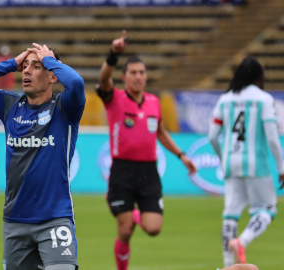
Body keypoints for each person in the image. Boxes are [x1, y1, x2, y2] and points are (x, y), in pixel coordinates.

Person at [0, 43, 85, 270]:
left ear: (53, 76)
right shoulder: (9, 104)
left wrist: (51, 61)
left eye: (36, 67)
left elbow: (75, 83)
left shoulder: (65, 107)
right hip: (15, 221)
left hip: (55, 218)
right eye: (25, 66)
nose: (26, 71)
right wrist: (10, 64)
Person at [96, 30, 197, 270]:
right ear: (124, 76)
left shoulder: (154, 102)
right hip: (122, 170)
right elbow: (103, 79)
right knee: (125, 230)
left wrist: (181, 155)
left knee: (153, 229)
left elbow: (160, 132)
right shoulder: (115, 98)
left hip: (148, 172)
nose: (138, 77)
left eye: (142, 73)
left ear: (147, 76)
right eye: (133, 73)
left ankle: (136, 214)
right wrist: (113, 54)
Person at [208, 56, 284, 267]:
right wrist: (281, 167)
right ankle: (242, 241)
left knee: (230, 214)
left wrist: (223, 159)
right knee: (267, 209)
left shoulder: (225, 99)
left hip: (231, 162)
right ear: (259, 76)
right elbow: (271, 137)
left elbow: (212, 136)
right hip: (256, 164)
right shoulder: (264, 99)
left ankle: (227, 264)